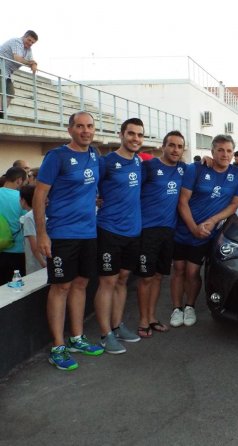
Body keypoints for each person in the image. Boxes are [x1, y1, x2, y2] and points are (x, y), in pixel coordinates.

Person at [33, 111, 104, 371]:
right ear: (70, 129)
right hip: (62, 233)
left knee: (81, 284)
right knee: (60, 287)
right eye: (80, 126)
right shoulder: (57, 156)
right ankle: (58, 346)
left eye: (90, 126)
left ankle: (77, 338)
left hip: (88, 232)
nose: (86, 130)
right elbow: (40, 196)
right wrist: (42, 233)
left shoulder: (95, 154)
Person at [170, 134, 238, 327]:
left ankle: (189, 306)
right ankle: (176, 308)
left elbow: (234, 204)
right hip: (184, 228)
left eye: (229, 150)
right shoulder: (196, 169)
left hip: (205, 233)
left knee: (193, 272)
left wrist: (212, 221)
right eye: (220, 150)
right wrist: (193, 227)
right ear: (212, 151)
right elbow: (182, 201)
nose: (225, 154)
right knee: (178, 269)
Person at [94, 118, 144, 354]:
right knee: (108, 281)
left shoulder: (140, 163)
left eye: (139, 135)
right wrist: (95, 198)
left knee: (123, 279)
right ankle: (105, 334)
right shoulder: (107, 162)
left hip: (133, 231)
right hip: (109, 231)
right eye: (131, 134)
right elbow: (87, 185)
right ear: (122, 134)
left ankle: (117, 325)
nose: (136, 138)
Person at [135, 131, 186, 338]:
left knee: (158, 277)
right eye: (171, 145)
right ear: (163, 146)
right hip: (147, 231)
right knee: (146, 278)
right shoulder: (148, 167)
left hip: (168, 231)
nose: (175, 150)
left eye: (180, 146)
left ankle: (152, 317)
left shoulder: (184, 169)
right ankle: (143, 320)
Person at [0, 31, 38, 118]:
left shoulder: (28, 49)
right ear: (24, 37)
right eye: (29, 40)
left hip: (7, 72)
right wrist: (30, 63)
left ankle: (2, 114)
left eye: (32, 42)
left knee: (10, 93)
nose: (30, 43)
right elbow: (17, 59)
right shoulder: (16, 42)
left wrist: (34, 64)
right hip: (0, 66)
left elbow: (32, 61)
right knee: (1, 91)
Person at [0, 167, 27, 284]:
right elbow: (27, 221)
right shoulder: (20, 198)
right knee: (16, 286)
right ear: (19, 180)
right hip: (17, 250)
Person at [19, 184, 46, 274]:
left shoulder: (29, 217)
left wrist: (44, 264)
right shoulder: (43, 212)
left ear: (23, 200)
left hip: (36, 264)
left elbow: (34, 246)